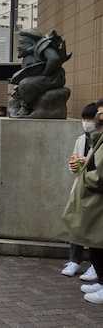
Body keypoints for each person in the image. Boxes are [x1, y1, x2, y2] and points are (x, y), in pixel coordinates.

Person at [64, 99, 103, 303]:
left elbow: (99, 174)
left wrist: (86, 177)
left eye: (93, 117)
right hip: (86, 191)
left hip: (95, 193)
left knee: (96, 238)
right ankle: (76, 261)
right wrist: (76, 167)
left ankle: (98, 275)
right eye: (85, 119)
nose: (88, 122)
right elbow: (78, 161)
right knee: (82, 229)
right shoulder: (85, 139)